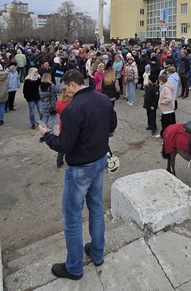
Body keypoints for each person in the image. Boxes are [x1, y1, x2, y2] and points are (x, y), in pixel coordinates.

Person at [37, 70, 117, 280]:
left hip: (80, 168)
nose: (64, 92)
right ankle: (97, 253)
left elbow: (64, 145)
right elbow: (112, 126)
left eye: (64, 88)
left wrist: (47, 135)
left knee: (73, 217)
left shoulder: (73, 109)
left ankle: (74, 267)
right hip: (99, 160)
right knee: (96, 207)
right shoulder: (103, 99)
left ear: (73, 85)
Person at [158, 74, 176, 138]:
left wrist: (162, 102)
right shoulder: (167, 86)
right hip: (168, 109)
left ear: (161, 80)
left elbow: (169, 98)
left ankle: (167, 138)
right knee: (167, 124)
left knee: (166, 125)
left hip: (167, 110)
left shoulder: (165, 88)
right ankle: (163, 134)